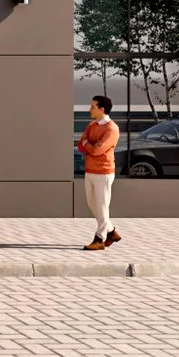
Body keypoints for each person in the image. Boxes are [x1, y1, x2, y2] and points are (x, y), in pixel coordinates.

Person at [77, 94, 121, 251]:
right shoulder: (92, 125)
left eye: (92, 107)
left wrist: (88, 144)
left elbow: (97, 150)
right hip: (90, 170)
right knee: (93, 206)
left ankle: (99, 239)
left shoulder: (112, 129)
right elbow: (80, 145)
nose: (89, 109)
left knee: (102, 206)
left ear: (101, 109)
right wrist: (89, 144)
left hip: (104, 172)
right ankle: (111, 232)